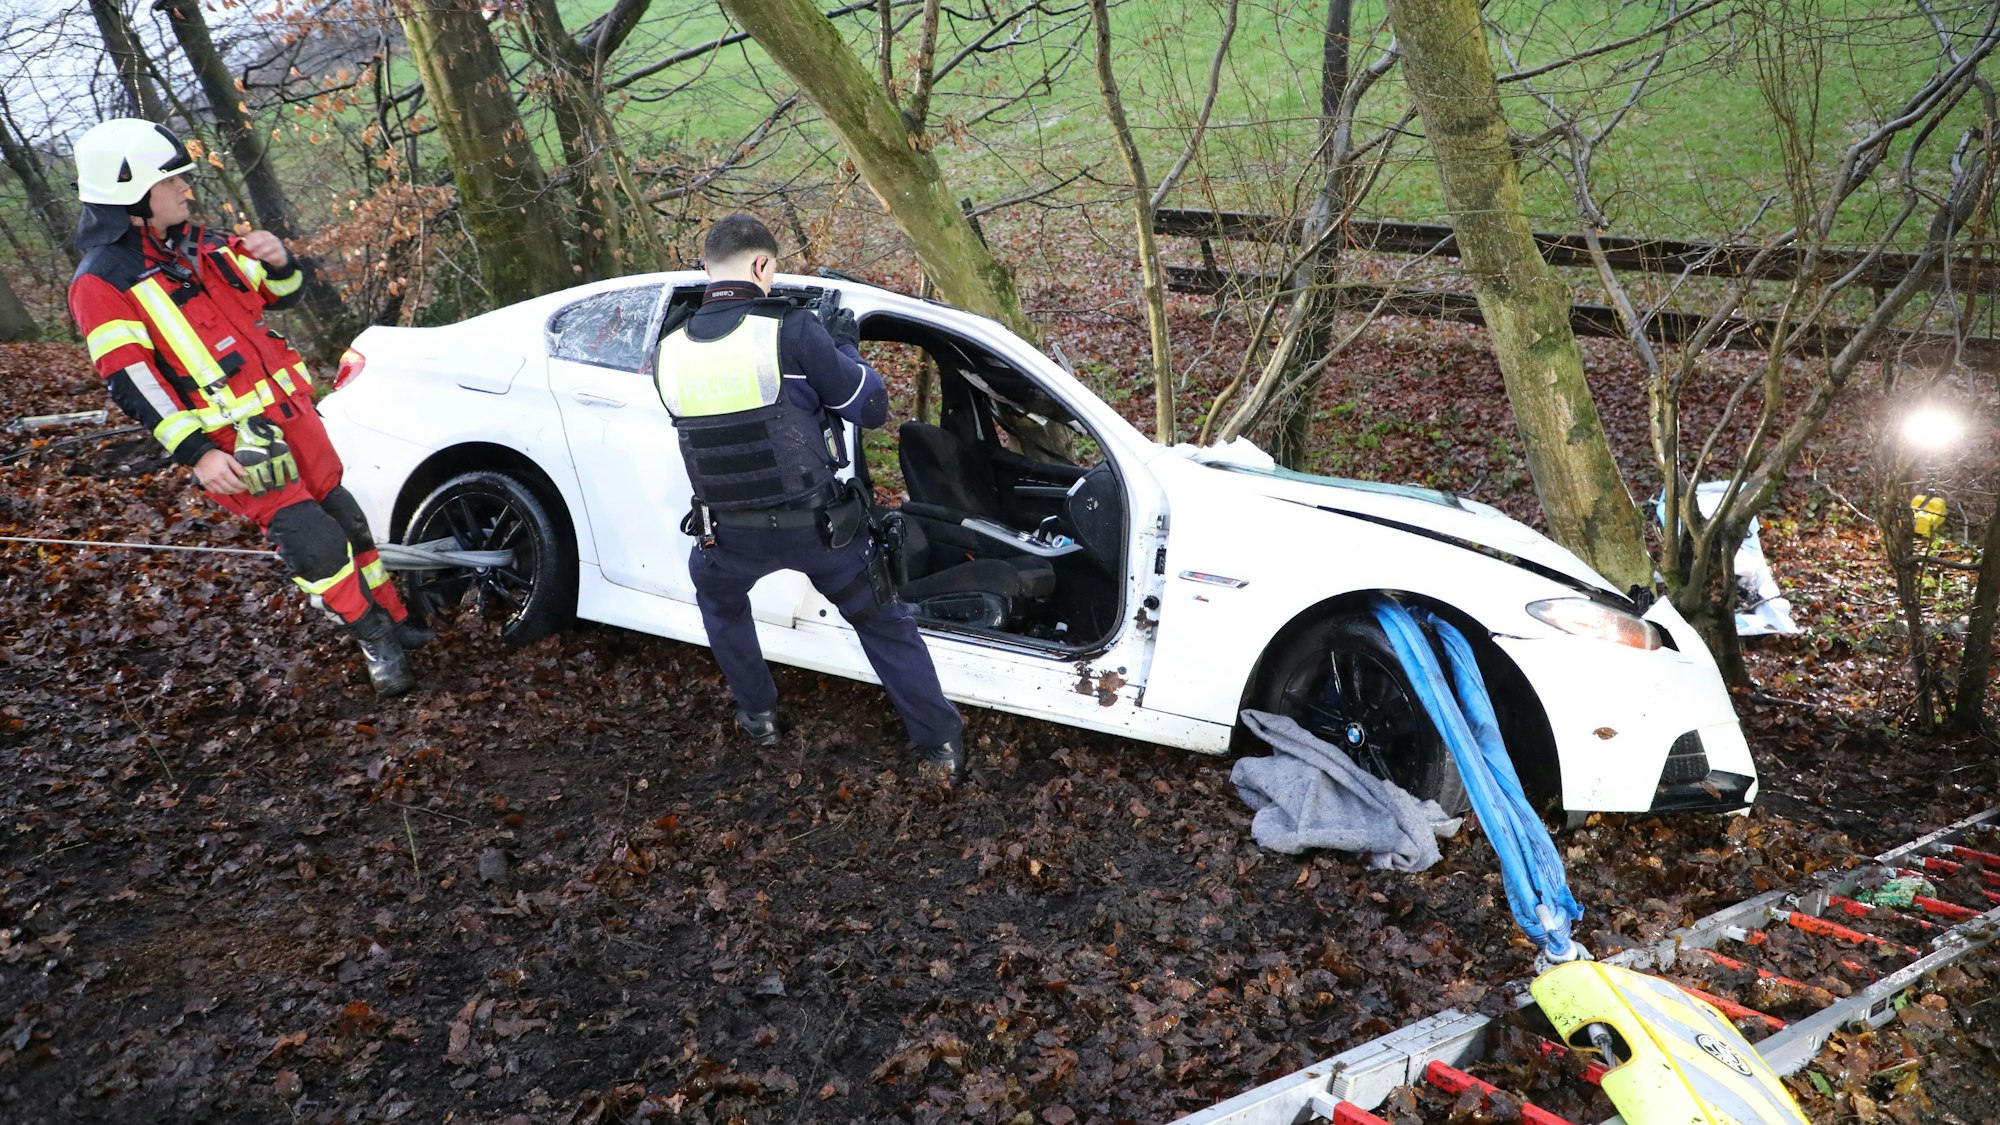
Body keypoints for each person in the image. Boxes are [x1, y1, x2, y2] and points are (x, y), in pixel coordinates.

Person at [65, 118, 428, 697]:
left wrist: (281, 261)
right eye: (173, 182)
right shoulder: (101, 282)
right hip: (239, 443)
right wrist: (197, 453)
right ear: (133, 197)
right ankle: (372, 635)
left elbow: (281, 293)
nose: (186, 190)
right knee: (313, 539)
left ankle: (399, 621)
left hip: (296, 418)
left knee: (346, 518)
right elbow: (133, 383)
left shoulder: (201, 244)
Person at [657, 214, 966, 778]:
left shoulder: (670, 348)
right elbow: (869, 408)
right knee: (882, 621)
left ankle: (759, 717)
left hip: (725, 534)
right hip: (819, 531)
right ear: (761, 264)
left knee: (721, 604)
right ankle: (940, 744)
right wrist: (843, 348)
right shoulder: (793, 331)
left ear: (706, 268)